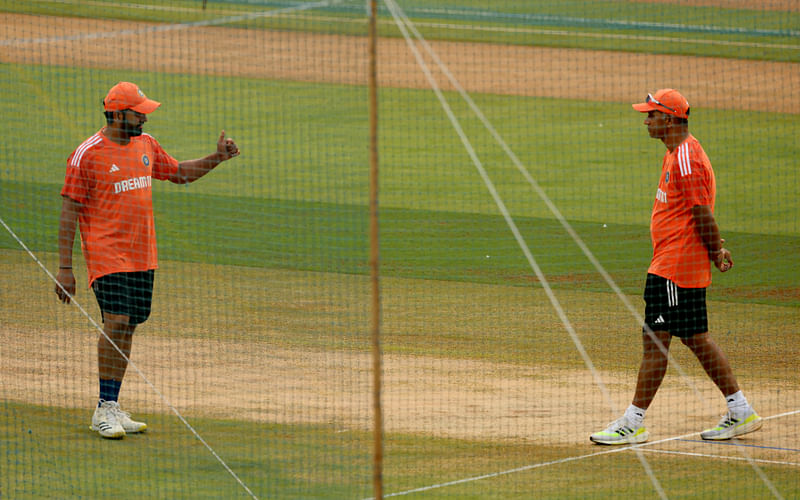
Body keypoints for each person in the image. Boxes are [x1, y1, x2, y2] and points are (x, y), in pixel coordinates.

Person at [55, 81, 240, 439]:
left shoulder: (146, 145)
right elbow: (69, 210)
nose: (143, 117)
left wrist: (217, 157)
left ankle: (113, 403)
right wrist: (65, 268)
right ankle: (103, 409)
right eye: (137, 113)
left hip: (143, 254)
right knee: (116, 321)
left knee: (129, 325)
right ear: (117, 113)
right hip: (107, 254)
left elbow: (179, 173)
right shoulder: (87, 154)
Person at [590, 89, 761, 445]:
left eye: (651, 115)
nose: (646, 120)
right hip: (675, 263)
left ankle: (633, 421)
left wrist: (715, 250)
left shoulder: (686, 158)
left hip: (675, 267)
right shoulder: (677, 153)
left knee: (655, 342)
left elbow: (701, 212)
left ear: (669, 119)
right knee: (697, 339)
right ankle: (740, 409)